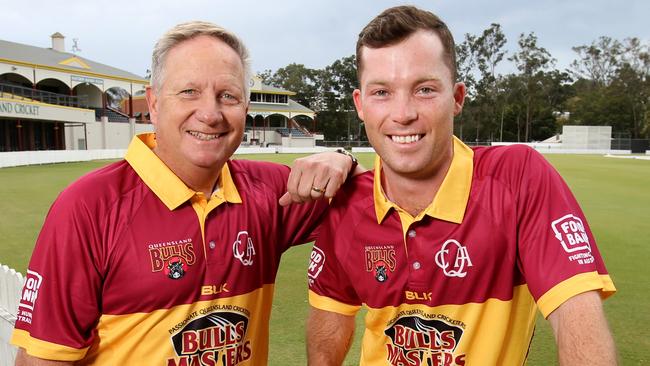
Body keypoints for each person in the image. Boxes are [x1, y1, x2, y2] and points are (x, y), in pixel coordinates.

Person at [11, 21, 358, 365]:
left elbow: (382, 200)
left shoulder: (271, 190)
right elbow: (42, 360)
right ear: (154, 102)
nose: (210, 114)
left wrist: (342, 159)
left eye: (228, 96)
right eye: (189, 91)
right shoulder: (88, 207)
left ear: (245, 110)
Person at [306, 6, 617, 366]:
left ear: (456, 98)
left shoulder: (517, 179)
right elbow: (330, 322)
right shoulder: (346, 202)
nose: (403, 113)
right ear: (360, 105)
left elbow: (577, 316)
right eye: (382, 92)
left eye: (424, 89)